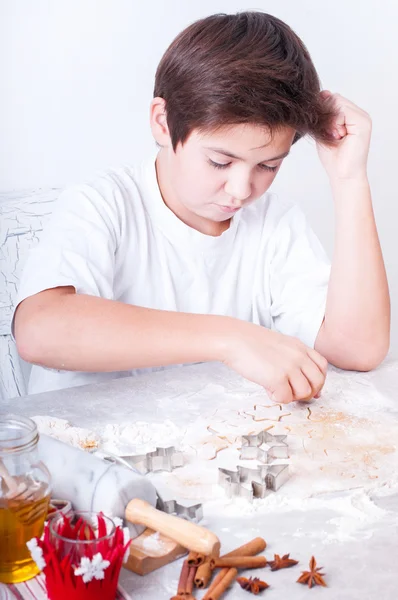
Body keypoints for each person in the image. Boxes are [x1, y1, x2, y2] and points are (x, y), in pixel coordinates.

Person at [13, 12, 390, 401]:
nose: (241, 190)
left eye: (268, 165)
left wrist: (349, 181)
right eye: (220, 162)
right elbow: (40, 329)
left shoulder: (274, 224)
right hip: (88, 456)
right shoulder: (103, 204)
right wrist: (230, 338)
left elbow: (358, 348)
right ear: (163, 122)